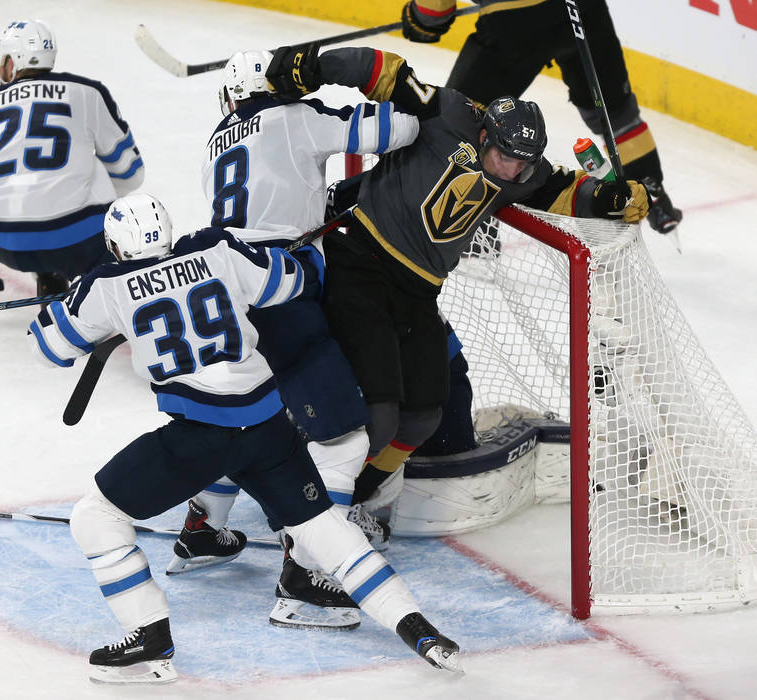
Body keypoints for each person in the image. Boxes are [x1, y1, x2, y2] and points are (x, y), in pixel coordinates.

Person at [28, 193, 463, 683]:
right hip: (268, 432)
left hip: (199, 440)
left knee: (95, 517)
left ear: (115, 246)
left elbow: (48, 348)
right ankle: (418, 629)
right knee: (324, 530)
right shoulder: (216, 249)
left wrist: (63, 306)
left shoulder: (104, 286)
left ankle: (149, 634)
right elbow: (292, 281)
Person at [264, 43, 649, 519]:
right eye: (506, 157)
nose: (513, 171)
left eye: (523, 164)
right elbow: (380, 70)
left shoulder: (523, 170)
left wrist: (611, 199)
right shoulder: (446, 113)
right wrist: (313, 67)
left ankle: (351, 499)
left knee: (423, 417)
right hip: (361, 267)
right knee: (379, 416)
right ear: (484, 133)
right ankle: (313, 511)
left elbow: (566, 191)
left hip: (420, 293)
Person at [169, 50, 421, 630]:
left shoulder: (216, 141)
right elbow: (401, 128)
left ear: (232, 96)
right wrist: (411, 91)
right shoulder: (295, 117)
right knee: (343, 442)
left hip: (226, 291)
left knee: (243, 416)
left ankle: (203, 529)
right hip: (281, 291)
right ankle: (304, 580)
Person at [400, 0, 682, 234]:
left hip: (515, 18)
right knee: (617, 115)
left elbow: (432, 13)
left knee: (466, 119)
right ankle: (652, 197)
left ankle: (472, 231)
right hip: (584, 9)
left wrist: (420, 21)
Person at [0, 19, 145, 297]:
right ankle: (95, 283)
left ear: (13, 63)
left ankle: (49, 275)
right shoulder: (87, 92)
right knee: (90, 168)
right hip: (75, 244)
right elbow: (131, 174)